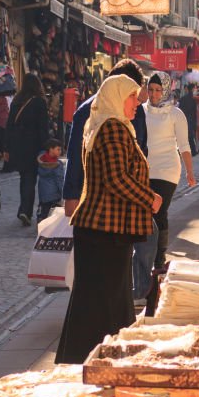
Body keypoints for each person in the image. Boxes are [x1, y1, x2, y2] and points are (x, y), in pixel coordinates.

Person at [54, 75, 161, 364]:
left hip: (104, 225)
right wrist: (148, 197)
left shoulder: (108, 125)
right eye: (131, 97)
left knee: (100, 297)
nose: (137, 103)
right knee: (106, 298)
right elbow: (117, 178)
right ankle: (104, 357)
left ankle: (87, 355)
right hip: (105, 226)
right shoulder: (112, 128)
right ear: (116, 97)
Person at [63, 59, 147, 217]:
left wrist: (71, 195)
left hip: (99, 198)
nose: (136, 100)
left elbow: (141, 150)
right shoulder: (88, 112)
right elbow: (75, 155)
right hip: (112, 200)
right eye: (131, 93)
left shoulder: (85, 109)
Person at [140, 72, 195, 280]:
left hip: (167, 170)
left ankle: (158, 259)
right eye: (150, 89)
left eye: (157, 90)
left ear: (166, 90)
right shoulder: (140, 111)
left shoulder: (176, 114)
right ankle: (144, 256)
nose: (153, 94)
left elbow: (184, 145)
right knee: (144, 214)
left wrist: (190, 172)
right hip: (144, 168)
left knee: (159, 212)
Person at [5, 73, 50, 226]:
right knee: (33, 178)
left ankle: (24, 209)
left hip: (18, 143)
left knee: (25, 177)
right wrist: (47, 146)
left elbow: (9, 125)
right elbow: (43, 127)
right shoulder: (40, 102)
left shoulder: (17, 101)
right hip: (34, 143)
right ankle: (27, 210)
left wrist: (7, 147)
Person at [37, 137, 66, 221]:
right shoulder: (58, 165)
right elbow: (59, 179)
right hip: (54, 194)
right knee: (54, 216)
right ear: (51, 149)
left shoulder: (41, 161)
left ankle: (41, 223)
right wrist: (63, 192)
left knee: (44, 212)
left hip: (43, 193)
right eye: (58, 149)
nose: (60, 152)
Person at [178, 83, 199, 155]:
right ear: (193, 89)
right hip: (190, 119)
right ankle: (192, 150)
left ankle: (188, 150)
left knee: (185, 136)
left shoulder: (183, 99)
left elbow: (179, 109)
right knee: (190, 136)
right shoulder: (193, 99)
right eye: (195, 88)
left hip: (183, 118)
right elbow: (194, 112)